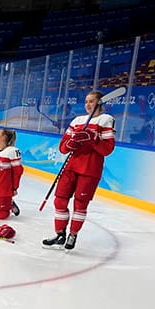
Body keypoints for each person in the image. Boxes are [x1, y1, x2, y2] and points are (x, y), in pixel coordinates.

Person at [43, 89, 116, 251]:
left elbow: (107, 150)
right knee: (59, 200)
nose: (88, 105)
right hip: (70, 167)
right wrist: (71, 144)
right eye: (86, 101)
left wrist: (92, 140)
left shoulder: (106, 120)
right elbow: (63, 148)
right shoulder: (77, 120)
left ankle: (73, 234)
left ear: (100, 103)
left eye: (92, 101)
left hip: (90, 169)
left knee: (80, 204)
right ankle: (60, 233)